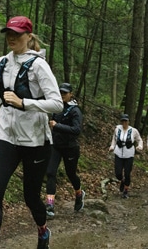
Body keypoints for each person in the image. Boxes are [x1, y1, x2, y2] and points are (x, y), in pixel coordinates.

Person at [0, 16, 63, 249]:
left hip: (35, 140)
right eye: (9, 33)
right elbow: (2, 90)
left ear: (29, 36)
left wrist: (24, 103)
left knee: (30, 196)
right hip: (6, 134)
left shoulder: (39, 65)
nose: (12, 37)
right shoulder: (2, 62)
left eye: (17, 33)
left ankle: (43, 229)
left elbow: (57, 104)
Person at [45, 83, 84, 219]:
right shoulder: (56, 108)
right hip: (55, 146)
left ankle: (79, 194)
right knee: (50, 173)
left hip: (70, 147)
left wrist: (58, 126)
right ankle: (50, 205)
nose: (62, 95)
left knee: (71, 174)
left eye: (65, 93)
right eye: (60, 92)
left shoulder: (75, 111)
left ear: (70, 94)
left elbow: (76, 130)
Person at [108, 114, 143, 198]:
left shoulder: (134, 131)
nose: (124, 123)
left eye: (126, 121)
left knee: (127, 173)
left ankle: (126, 191)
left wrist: (140, 146)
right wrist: (112, 146)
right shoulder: (117, 129)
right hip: (118, 153)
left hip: (129, 154)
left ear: (128, 121)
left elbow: (139, 140)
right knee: (118, 173)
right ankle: (122, 180)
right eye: (123, 121)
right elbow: (114, 139)